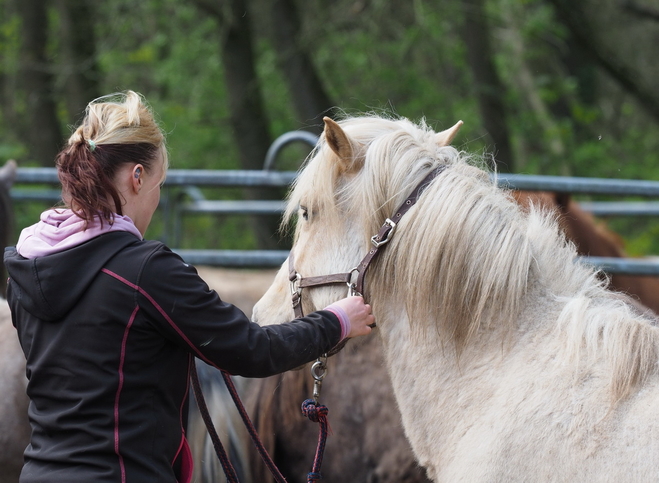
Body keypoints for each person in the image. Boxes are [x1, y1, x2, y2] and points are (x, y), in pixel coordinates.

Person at [4, 91, 374, 483]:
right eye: (159, 184)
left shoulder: (26, 269)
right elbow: (252, 350)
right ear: (137, 177)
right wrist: (335, 322)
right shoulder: (146, 272)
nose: (157, 200)